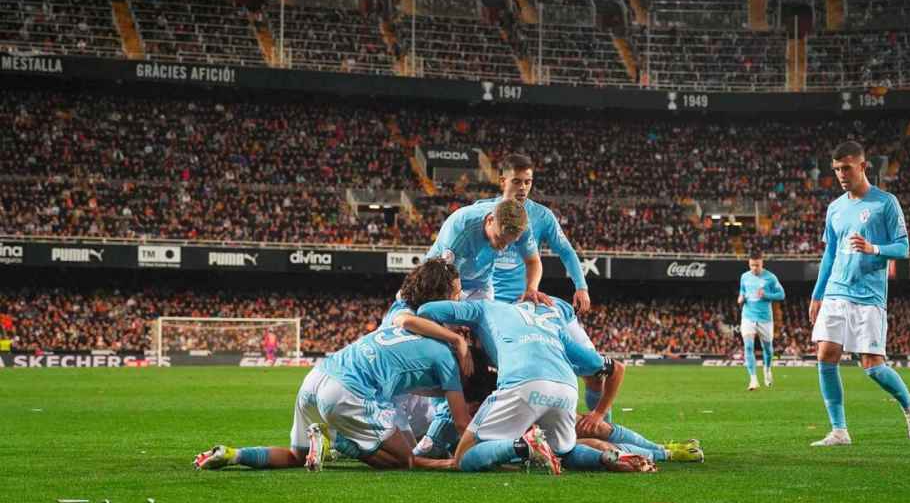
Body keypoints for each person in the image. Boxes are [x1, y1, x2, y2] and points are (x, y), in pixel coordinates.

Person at [194, 262, 472, 472]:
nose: (460, 300)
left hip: (317, 377)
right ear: (443, 299)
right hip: (348, 392)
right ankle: (338, 438)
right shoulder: (441, 352)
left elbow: (408, 327)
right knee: (405, 460)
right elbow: (461, 422)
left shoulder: (403, 316)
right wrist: (463, 461)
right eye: (457, 294)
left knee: (296, 457)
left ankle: (233, 454)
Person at [417, 299, 656, 474]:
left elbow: (426, 310)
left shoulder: (484, 308)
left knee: (465, 457)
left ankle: (524, 445)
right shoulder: (550, 325)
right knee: (563, 453)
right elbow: (607, 366)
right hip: (566, 388)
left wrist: (456, 333)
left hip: (523, 384)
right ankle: (609, 457)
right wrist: (599, 413)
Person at [808, 140, 910, 447]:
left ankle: (909, 406)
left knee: (872, 366)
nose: (841, 174)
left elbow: (903, 247)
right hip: (836, 290)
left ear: (863, 165)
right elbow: (829, 254)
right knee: (825, 355)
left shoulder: (885, 202)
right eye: (836, 170)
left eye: (846, 168)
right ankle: (839, 430)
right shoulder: (835, 208)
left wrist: (874, 248)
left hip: (868, 295)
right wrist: (817, 294)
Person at [475, 153, 591, 313]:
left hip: (523, 301)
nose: (522, 187)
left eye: (527, 182)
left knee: (578, 336)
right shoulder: (480, 210)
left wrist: (581, 287)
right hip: (484, 300)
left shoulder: (542, 216)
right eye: (517, 181)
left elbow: (566, 251)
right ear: (503, 181)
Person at [426, 198, 551, 305]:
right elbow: (449, 282)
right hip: (439, 279)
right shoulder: (460, 230)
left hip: (480, 283)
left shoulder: (521, 226)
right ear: (490, 220)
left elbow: (533, 261)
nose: (503, 248)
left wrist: (531, 289)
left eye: (509, 243)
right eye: (499, 238)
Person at [737, 252, 786, 390]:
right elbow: (742, 292)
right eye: (752, 265)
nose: (754, 268)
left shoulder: (770, 278)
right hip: (748, 316)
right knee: (748, 347)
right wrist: (741, 298)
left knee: (768, 350)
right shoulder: (744, 277)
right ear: (749, 264)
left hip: (765, 318)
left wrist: (766, 295)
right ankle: (753, 380)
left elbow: (781, 295)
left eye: (757, 265)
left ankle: (767, 369)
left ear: (762, 264)